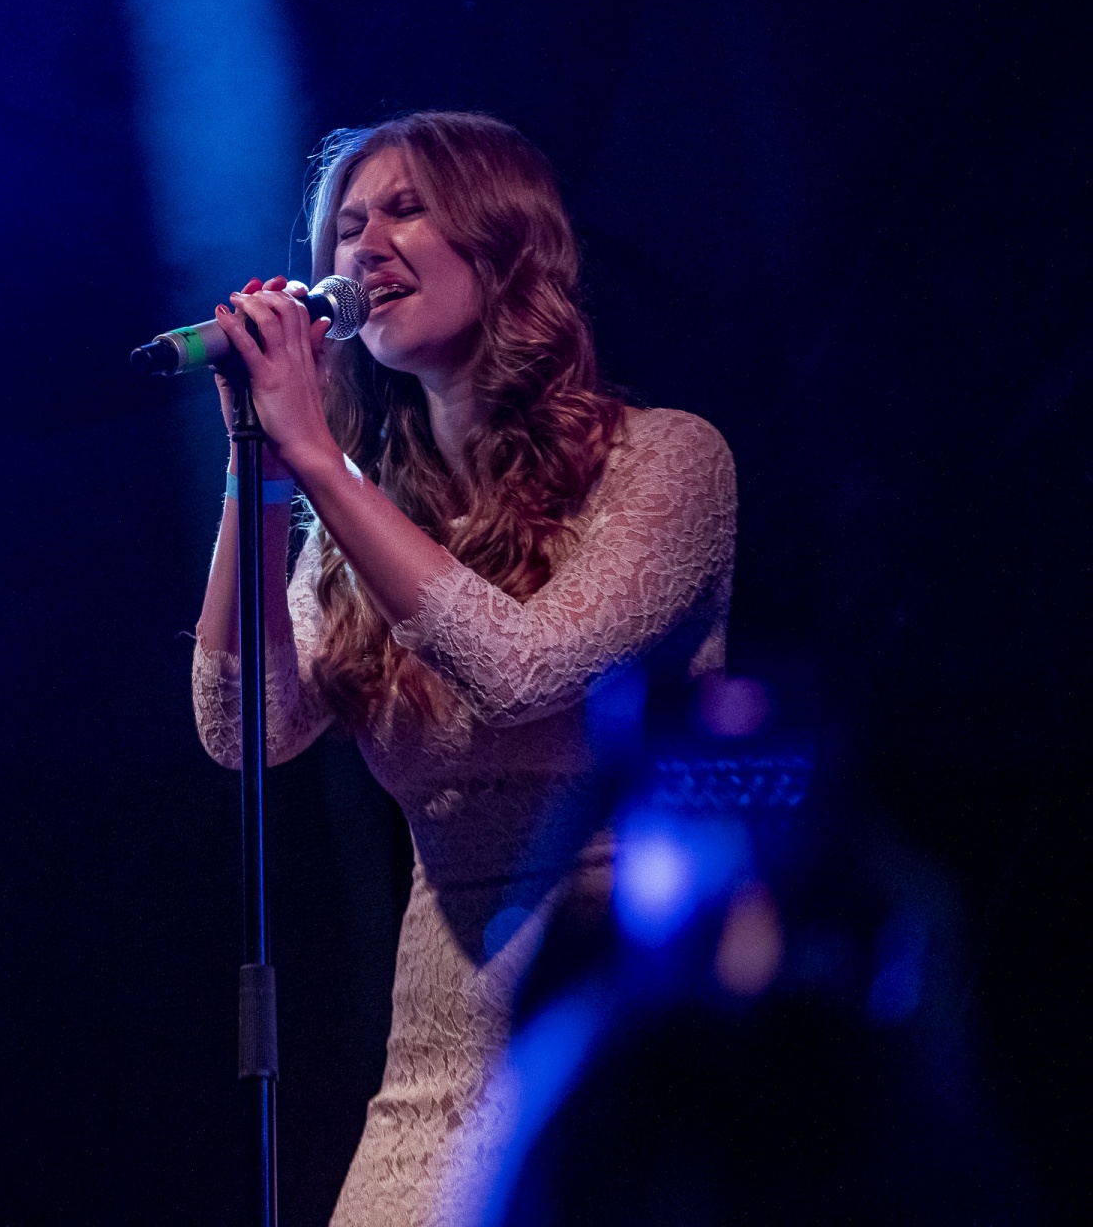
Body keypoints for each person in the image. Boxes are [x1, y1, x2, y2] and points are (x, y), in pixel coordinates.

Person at [191, 111, 736, 1226]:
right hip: (436, 1054)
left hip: (627, 1016)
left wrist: (318, 459)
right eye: (347, 226)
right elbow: (244, 727)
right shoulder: (360, 512)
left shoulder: (670, 461)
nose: (364, 247)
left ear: (508, 242)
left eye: (407, 210)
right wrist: (260, 469)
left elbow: (521, 673)